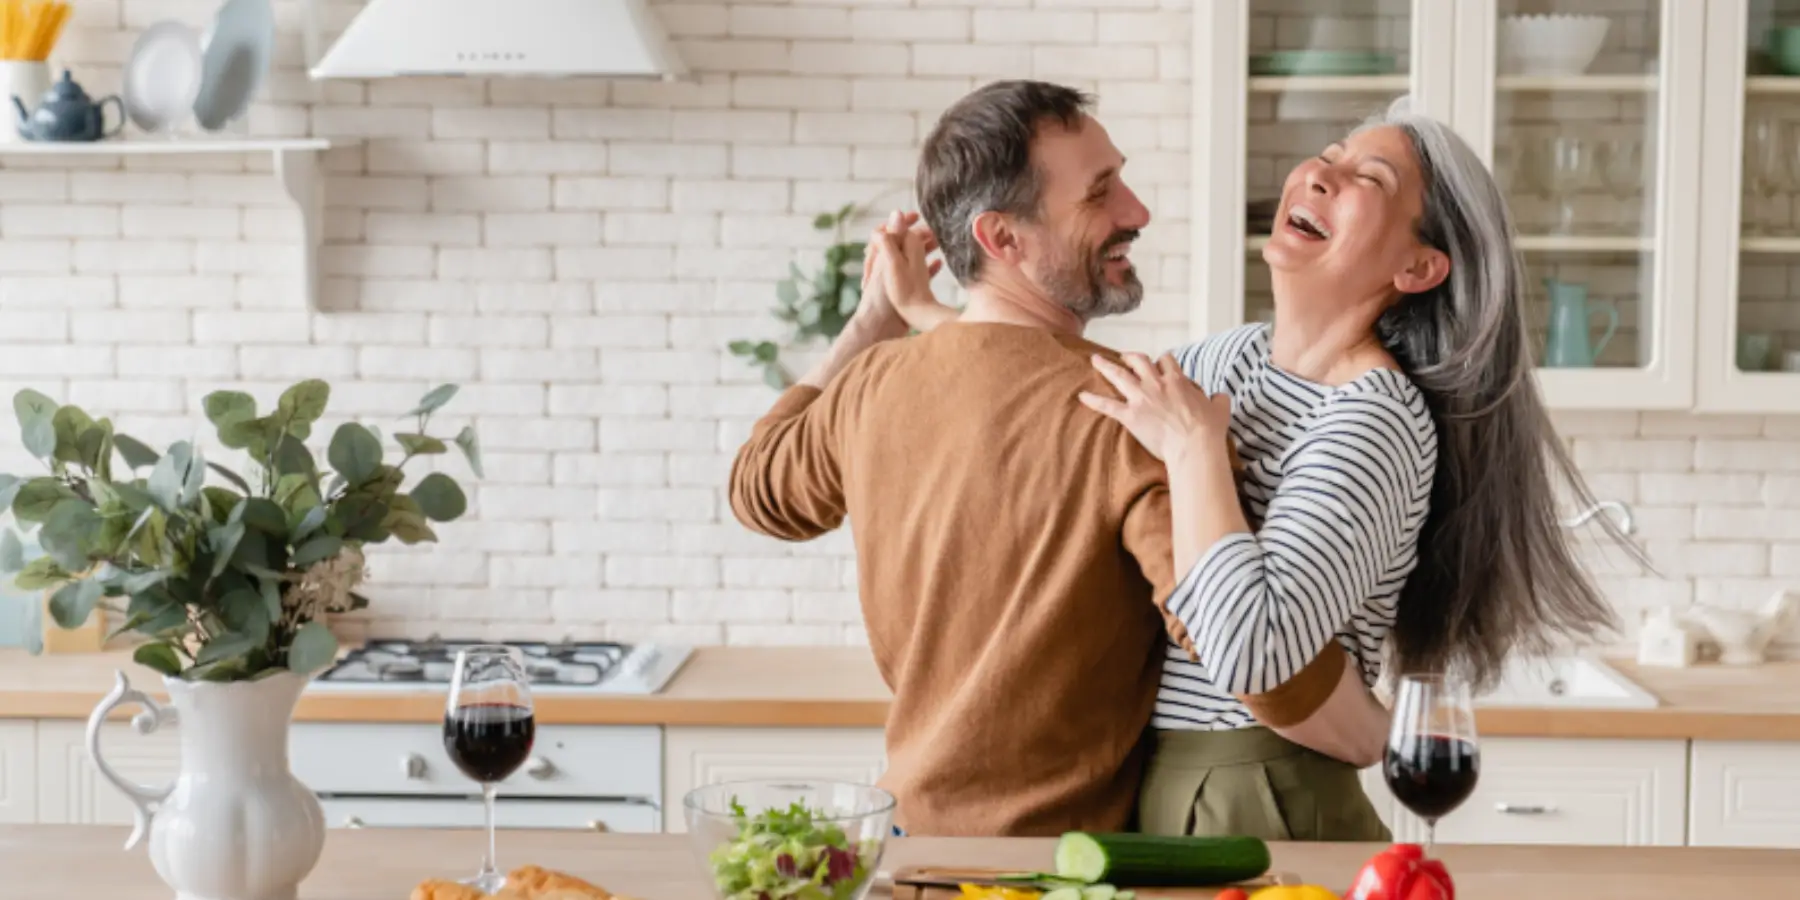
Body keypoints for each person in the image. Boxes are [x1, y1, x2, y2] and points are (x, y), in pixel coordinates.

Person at [864, 96, 1638, 840]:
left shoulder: (1374, 418)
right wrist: (930, 313)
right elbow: (1070, 398)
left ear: (1418, 267)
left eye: (1369, 181)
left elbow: (1255, 651)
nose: (1320, 175)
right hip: (1161, 780)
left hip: (1264, 794)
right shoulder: (1227, 358)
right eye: (1331, 157)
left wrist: (1198, 453)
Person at [727, 80, 1388, 838]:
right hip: (1050, 869)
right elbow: (1249, 655)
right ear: (1002, 239)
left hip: (907, 846)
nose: (1136, 212)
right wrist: (1376, 732)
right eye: (1100, 194)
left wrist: (869, 323)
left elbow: (758, 489)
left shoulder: (872, 384)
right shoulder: (1128, 413)